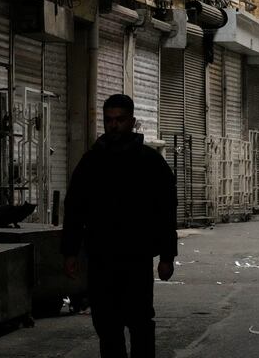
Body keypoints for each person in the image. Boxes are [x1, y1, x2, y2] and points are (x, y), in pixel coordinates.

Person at [61, 94, 177, 358]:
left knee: (140, 324)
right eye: (109, 120)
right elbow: (75, 208)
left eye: (120, 120)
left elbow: (166, 211)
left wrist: (167, 257)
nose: (113, 126)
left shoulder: (150, 163)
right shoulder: (91, 162)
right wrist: (70, 252)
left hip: (136, 259)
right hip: (101, 258)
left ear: (132, 121)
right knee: (106, 325)